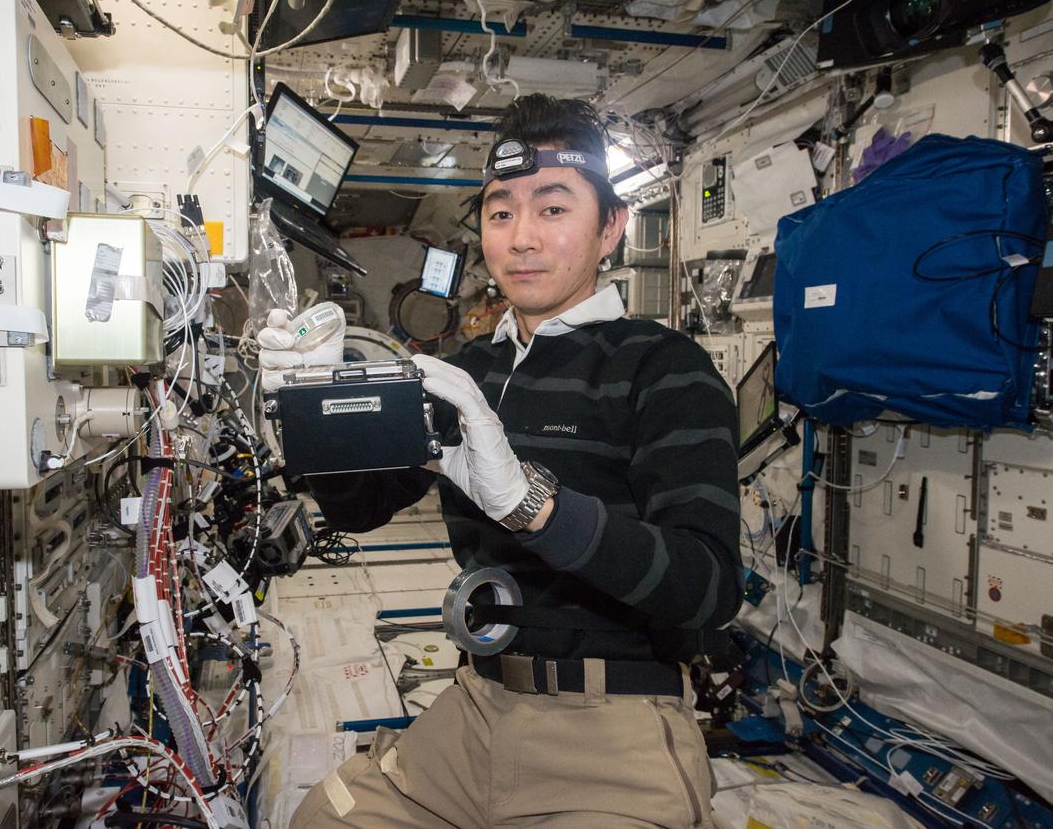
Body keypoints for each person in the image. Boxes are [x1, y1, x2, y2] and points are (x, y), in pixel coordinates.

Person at [258, 94, 740, 828]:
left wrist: (534, 506)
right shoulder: (466, 371)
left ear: (610, 227)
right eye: (500, 211)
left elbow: (707, 589)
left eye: (552, 209)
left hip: (613, 725)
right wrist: (310, 407)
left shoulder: (663, 367)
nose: (520, 239)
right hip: (476, 706)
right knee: (319, 818)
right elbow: (361, 506)